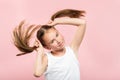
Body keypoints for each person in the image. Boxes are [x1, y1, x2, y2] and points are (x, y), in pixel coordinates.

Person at [12, 9, 86, 80]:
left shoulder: (72, 50)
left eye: (57, 35)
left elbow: (82, 23)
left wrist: (58, 21)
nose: (58, 41)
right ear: (47, 47)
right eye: (52, 41)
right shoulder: (47, 59)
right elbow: (37, 73)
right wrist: (40, 52)